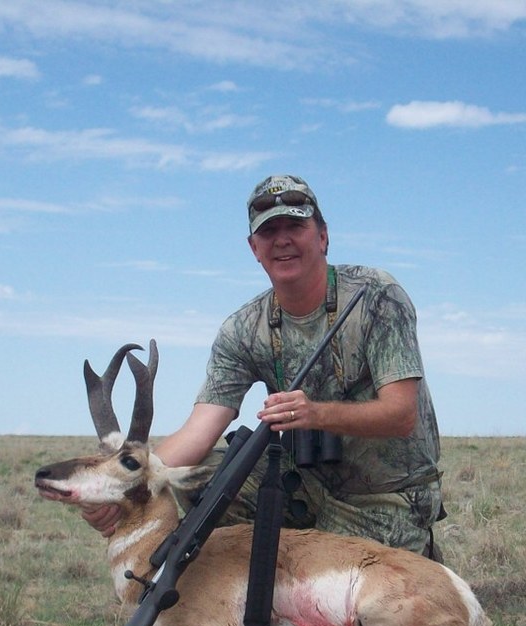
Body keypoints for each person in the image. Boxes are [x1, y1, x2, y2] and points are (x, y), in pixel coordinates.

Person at [83, 174, 444, 557]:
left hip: (385, 494)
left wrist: (315, 413)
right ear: (254, 247)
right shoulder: (242, 329)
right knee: (195, 477)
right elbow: (200, 430)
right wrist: (119, 486)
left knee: (349, 597)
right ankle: (243, 592)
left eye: (295, 225)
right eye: (269, 231)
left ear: (323, 236)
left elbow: (401, 414)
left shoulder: (377, 296)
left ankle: (411, 553)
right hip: (303, 485)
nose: (282, 239)